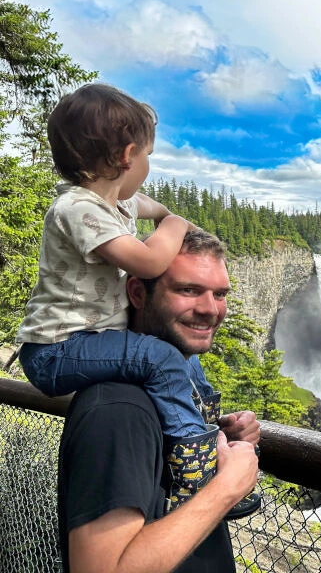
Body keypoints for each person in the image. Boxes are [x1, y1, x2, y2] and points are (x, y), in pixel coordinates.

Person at [14, 83, 255, 514]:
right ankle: (199, 476)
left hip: (90, 338)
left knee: (179, 355)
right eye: (148, 156)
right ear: (128, 155)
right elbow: (147, 261)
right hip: (57, 351)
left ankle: (206, 426)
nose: (147, 165)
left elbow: (146, 205)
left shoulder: (118, 204)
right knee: (160, 359)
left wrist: (164, 214)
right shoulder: (77, 209)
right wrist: (177, 224)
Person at [58, 230, 260, 573]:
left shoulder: (166, 392)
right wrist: (227, 487)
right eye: (188, 290)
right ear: (137, 293)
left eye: (220, 293)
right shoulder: (118, 410)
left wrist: (217, 439)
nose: (211, 309)